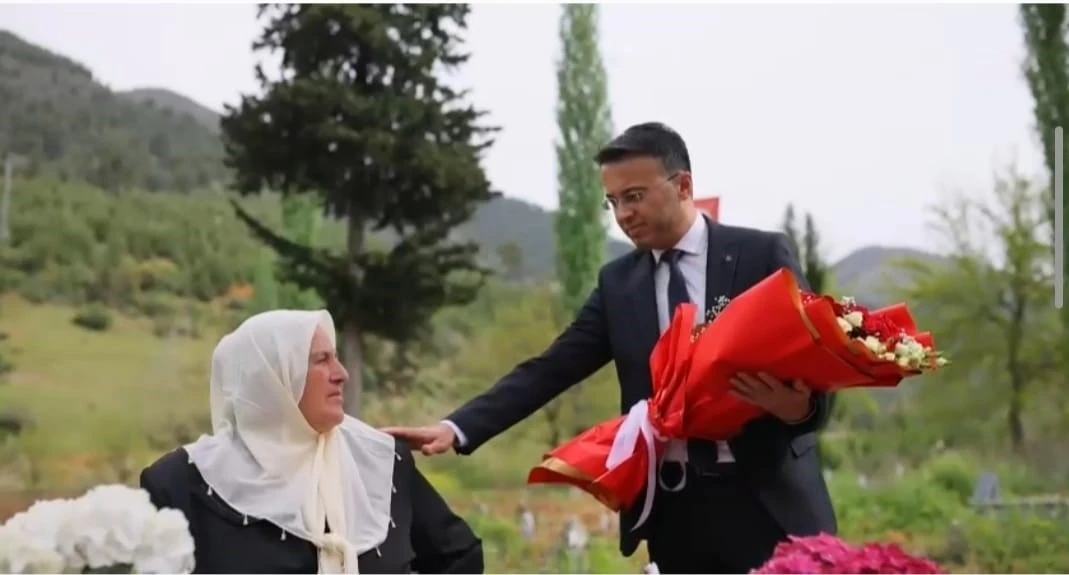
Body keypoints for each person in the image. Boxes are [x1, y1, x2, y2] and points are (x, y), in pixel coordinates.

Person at [384, 122, 837, 574]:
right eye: (613, 201)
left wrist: (799, 409)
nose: (623, 214)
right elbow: (552, 368)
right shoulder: (620, 284)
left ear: (683, 186)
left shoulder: (760, 256)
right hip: (677, 513)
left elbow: (821, 360)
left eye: (634, 196)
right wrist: (457, 427)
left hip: (768, 505)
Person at [139, 309, 483, 574]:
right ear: (274, 378)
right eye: (321, 360)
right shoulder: (182, 482)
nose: (341, 374)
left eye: (336, 357)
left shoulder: (379, 459)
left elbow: (460, 557)